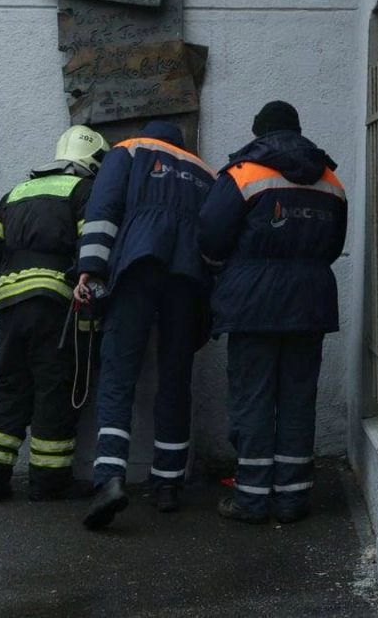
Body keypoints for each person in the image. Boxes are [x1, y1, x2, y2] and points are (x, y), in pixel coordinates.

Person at [197, 101, 348, 524]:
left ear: (259, 134)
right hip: (310, 304)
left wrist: (228, 273)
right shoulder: (330, 179)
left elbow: (210, 236)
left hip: (253, 305)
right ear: (298, 131)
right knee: (298, 398)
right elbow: (333, 246)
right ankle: (293, 498)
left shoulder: (244, 173)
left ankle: (251, 499)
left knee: (253, 398)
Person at [76, 119, 215, 529]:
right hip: (188, 278)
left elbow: (103, 210)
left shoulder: (130, 150)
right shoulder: (203, 170)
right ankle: (168, 483)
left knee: (119, 372)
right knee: (175, 377)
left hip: (138, 265)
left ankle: (110, 479)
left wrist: (90, 269)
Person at [0, 125, 110, 505]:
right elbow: (92, 244)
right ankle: (49, 483)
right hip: (54, 303)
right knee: (53, 387)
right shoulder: (83, 190)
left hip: (10, 302)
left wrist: (15, 263)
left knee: (9, 387)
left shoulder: (16, 191)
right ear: (91, 161)